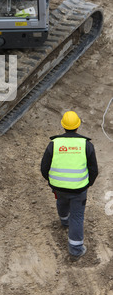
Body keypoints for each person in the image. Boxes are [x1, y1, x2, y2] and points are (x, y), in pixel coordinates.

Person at [40, 111, 98, 259]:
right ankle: (76, 250)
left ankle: (64, 221)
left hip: (58, 187)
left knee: (61, 201)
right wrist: (87, 184)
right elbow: (94, 170)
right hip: (79, 189)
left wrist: (53, 182)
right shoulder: (86, 145)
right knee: (77, 217)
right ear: (78, 125)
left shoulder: (54, 144)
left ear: (63, 125)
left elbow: (44, 167)